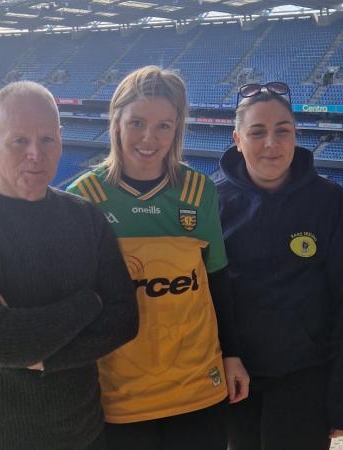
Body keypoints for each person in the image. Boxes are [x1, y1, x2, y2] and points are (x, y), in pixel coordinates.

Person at [0, 81, 139, 450]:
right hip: (2, 439)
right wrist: (88, 304)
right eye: (19, 141)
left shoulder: (86, 219)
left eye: (48, 140)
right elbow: (5, 344)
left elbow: (124, 320)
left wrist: (44, 356)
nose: (36, 154)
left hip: (87, 433)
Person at [67, 66, 249, 450]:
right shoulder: (83, 198)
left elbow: (218, 281)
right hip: (121, 395)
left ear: (177, 129)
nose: (149, 138)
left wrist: (232, 354)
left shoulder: (199, 192)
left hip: (198, 386)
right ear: (115, 122)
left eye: (164, 126)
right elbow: (63, 288)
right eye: (136, 122)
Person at [215, 82, 343, 449]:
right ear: (238, 139)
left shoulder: (329, 202)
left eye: (282, 131)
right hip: (233, 379)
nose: (271, 143)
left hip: (306, 381)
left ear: (295, 136)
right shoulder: (213, 201)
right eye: (257, 132)